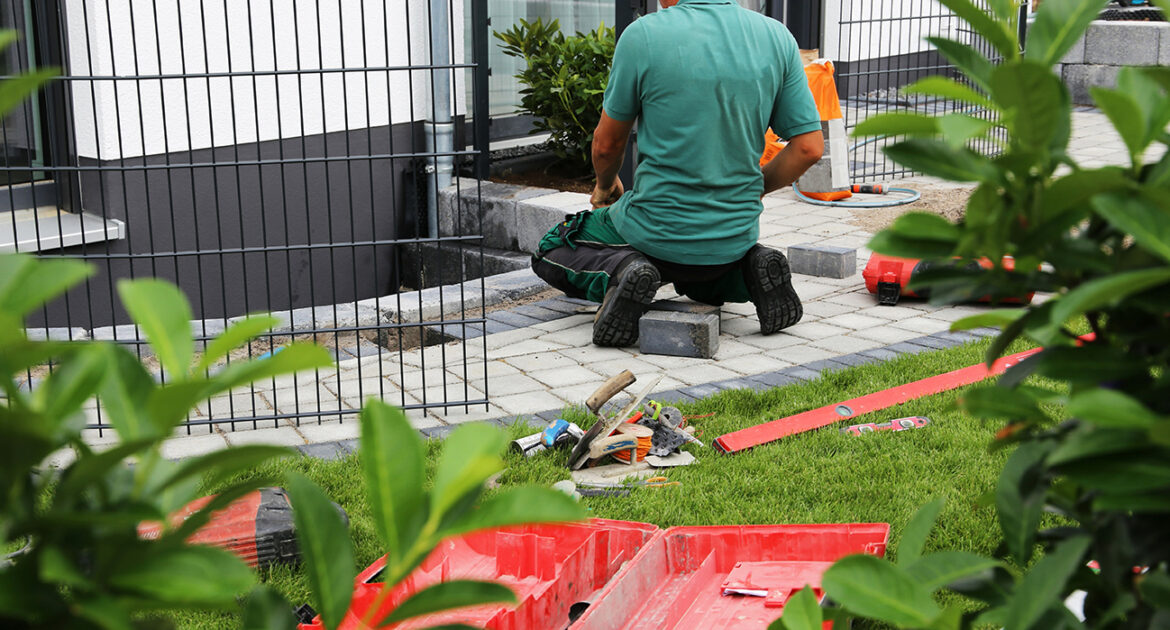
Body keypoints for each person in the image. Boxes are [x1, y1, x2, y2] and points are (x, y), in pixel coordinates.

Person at [531, 0, 825, 347]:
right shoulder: (777, 37)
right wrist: (754, 187)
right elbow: (809, 147)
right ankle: (747, 271)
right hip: (733, 236)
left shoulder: (644, 36)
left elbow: (607, 145)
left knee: (551, 247)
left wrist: (605, 186)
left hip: (652, 229)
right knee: (698, 273)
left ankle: (623, 270)